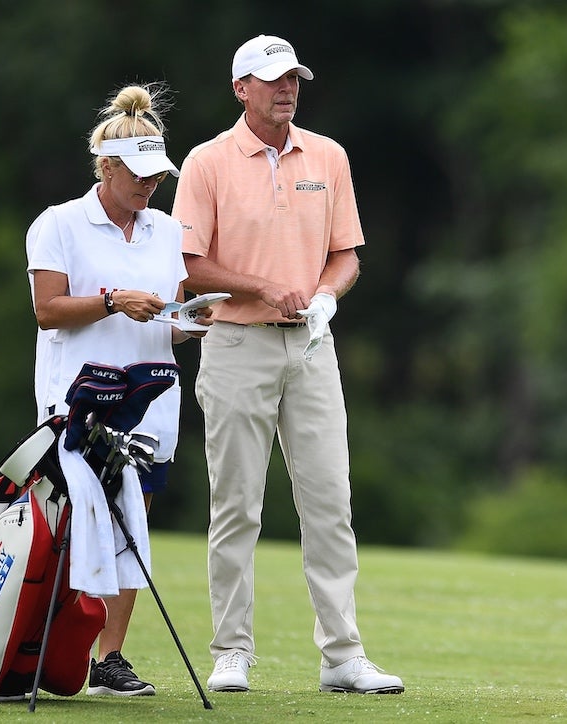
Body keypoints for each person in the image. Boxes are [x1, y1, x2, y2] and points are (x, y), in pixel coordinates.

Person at [171, 35, 404, 695]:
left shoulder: (327, 156)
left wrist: (327, 295)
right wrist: (263, 287)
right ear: (240, 88)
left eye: (293, 78)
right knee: (237, 505)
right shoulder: (207, 162)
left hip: (310, 347)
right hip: (235, 344)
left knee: (329, 503)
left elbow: (345, 254)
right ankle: (231, 651)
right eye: (273, 79)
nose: (287, 88)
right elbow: (188, 265)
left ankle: (342, 656)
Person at [26, 83, 212, 697]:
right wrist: (112, 301)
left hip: (149, 404)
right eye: (137, 173)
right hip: (77, 403)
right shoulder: (59, 224)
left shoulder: (167, 230)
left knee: (134, 523)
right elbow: (48, 310)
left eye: (156, 175)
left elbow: (169, 320)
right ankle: (42, 649)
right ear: (106, 166)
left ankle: (109, 659)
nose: (149, 184)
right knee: (70, 527)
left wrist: (194, 321)